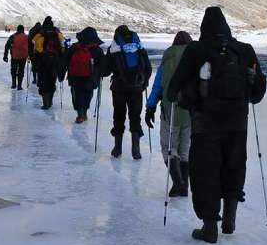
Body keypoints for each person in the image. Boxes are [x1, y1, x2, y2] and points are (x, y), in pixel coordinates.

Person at [167, 7, 266, 244]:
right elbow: (257, 93)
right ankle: (230, 216)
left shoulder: (196, 50)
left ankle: (210, 225)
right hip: (237, 123)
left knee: (205, 172)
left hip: (205, 123)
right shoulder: (244, 50)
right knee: (233, 166)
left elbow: (173, 89)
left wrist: (181, 97)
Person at [145, 31, 193, 197]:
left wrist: (150, 107)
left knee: (169, 148)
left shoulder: (167, 58)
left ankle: (178, 183)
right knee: (185, 149)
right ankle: (184, 185)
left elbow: (158, 86)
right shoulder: (195, 57)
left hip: (170, 109)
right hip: (190, 111)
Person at [103, 25, 152, 160]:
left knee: (119, 116)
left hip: (119, 88)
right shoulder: (140, 48)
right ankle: (135, 148)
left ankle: (117, 148)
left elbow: (106, 70)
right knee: (135, 116)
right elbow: (148, 68)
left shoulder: (114, 49)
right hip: (136, 89)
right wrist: (144, 83)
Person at [62, 27, 105, 124]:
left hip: (75, 76)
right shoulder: (97, 49)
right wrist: (101, 73)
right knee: (87, 94)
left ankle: (80, 114)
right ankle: (84, 113)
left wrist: (62, 72)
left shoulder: (74, 47)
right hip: (91, 77)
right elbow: (102, 64)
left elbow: (65, 59)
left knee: (77, 94)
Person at [32, 16, 65, 110]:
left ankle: (45, 103)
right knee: (51, 81)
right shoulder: (57, 32)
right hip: (55, 61)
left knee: (43, 82)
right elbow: (62, 45)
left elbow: (34, 43)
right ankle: (50, 101)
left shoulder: (41, 33)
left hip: (43, 61)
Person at [3, 25, 30, 90]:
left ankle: (13, 84)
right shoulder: (27, 37)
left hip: (14, 56)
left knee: (13, 70)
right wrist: (30, 56)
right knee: (21, 70)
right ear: (23, 30)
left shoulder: (13, 36)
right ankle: (19, 85)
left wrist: (5, 56)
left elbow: (7, 46)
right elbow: (30, 47)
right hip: (23, 56)